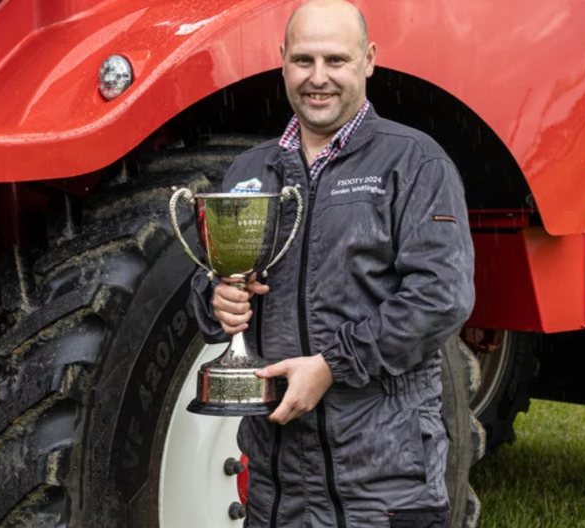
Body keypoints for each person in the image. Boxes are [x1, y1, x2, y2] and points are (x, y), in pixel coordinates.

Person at [190, 0, 474, 526]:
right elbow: (211, 279)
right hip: (277, 488)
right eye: (303, 61)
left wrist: (331, 367)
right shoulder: (252, 171)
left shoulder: (415, 162)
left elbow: (441, 298)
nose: (318, 78)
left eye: (336, 61)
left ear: (368, 60)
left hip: (383, 482)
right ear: (282, 62)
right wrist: (215, 300)